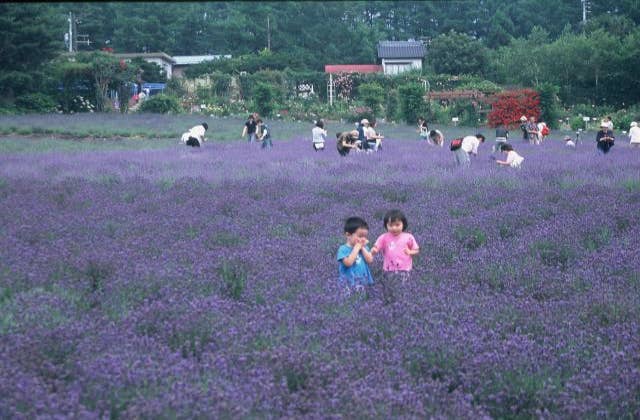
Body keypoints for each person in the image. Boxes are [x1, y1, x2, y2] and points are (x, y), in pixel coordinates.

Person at [371, 209, 419, 294]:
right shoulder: (384, 237)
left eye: (397, 225)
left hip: (404, 268)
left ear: (403, 224)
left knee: (404, 287)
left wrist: (410, 252)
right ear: (386, 225)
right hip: (389, 268)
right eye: (390, 225)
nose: (394, 228)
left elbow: (416, 250)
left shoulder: (408, 237)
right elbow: (376, 246)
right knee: (390, 287)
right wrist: (374, 250)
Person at [337, 217, 374, 293]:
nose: (363, 239)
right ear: (348, 235)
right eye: (360, 236)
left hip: (363, 281)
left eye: (365, 236)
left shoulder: (364, 247)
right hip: (348, 283)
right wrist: (357, 248)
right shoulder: (343, 249)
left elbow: (370, 260)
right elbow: (348, 263)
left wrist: (362, 248)